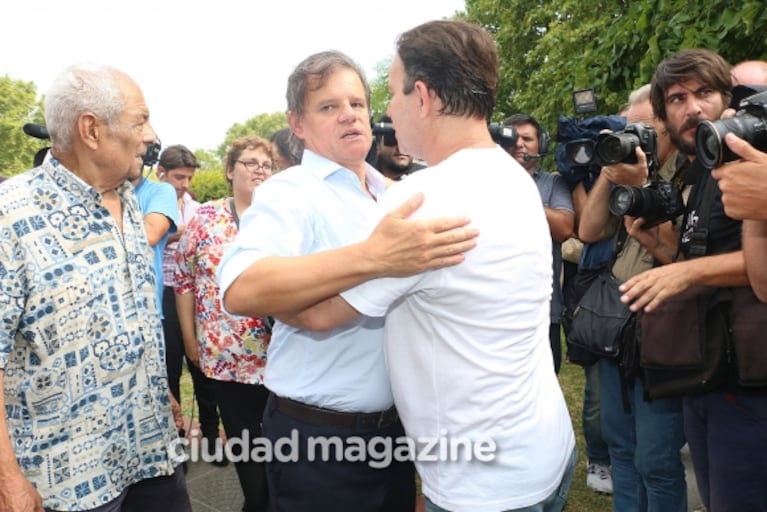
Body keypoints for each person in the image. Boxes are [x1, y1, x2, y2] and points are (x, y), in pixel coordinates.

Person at [274, 20, 577, 512]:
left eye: (390, 94)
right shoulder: (511, 173)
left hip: (484, 481)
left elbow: (316, 314)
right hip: (542, 448)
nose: (385, 113)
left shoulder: (424, 198)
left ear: (423, 96)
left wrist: (260, 288)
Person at [217, 49, 479, 512]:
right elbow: (242, 288)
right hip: (318, 441)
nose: (349, 116)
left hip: (395, 432)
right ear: (297, 124)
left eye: (357, 104)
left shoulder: (396, 193)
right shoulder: (290, 191)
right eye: (329, 107)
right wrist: (372, 258)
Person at [0, 63, 190, 511]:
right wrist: (7, 479)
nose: (151, 135)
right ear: (91, 130)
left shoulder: (128, 202)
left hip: (150, 452)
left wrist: (154, 385)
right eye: (140, 120)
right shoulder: (11, 217)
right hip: (64, 483)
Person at [620, 49, 767, 512]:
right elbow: (703, 257)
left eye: (705, 93)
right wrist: (662, 247)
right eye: (678, 98)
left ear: (729, 99)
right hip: (708, 373)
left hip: (752, 378)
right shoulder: (705, 164)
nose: (694, 108)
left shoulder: (755, 161)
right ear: (663, 115)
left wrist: (687, 271)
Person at [578, 83, 688, 512]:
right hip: (616, 330)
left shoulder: (691, 171)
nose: (634, 140)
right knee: (621, 447)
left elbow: (681, 254)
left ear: (668, 126)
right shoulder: (621, 170)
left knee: (656, 460)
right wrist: (610, 171)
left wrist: (646, 183)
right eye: (628, 130)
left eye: (643, 131)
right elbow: (588, 232)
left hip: (664, 331)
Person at [175, 135, 274, 512]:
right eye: (250, 163)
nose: (259, 171)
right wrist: (189, 337)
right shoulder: (206, 218)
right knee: (246, 447)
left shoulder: (281, 216)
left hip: (280, 356)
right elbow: (183, 280)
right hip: (226, 360)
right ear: (230, 170)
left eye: (266, 165)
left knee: (284, 447)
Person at [158, 145, 223, 462]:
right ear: (162, 173)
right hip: (163, 296)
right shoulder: (150, 204)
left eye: (187, 177)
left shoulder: (198, 209)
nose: (183, 183)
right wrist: (175, 232)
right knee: (170, 372)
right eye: (177, 177)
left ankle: (212, 438)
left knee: (203, 370)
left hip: (194, 295)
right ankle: (176, 444)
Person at [503, 113, 574, 373]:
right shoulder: (485, 180)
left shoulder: (553, 184)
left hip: (543, 310)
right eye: (514, 137)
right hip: (496, 308)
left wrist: (521, 192)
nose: (520, 143)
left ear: (540, 145)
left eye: (527, 138)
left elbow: (565, 229)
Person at [374, 114, 420, 180]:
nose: (402, 148)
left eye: (408, 140)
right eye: (393, 140)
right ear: (378, 146)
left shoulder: (427, 179)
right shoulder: (363, 180)